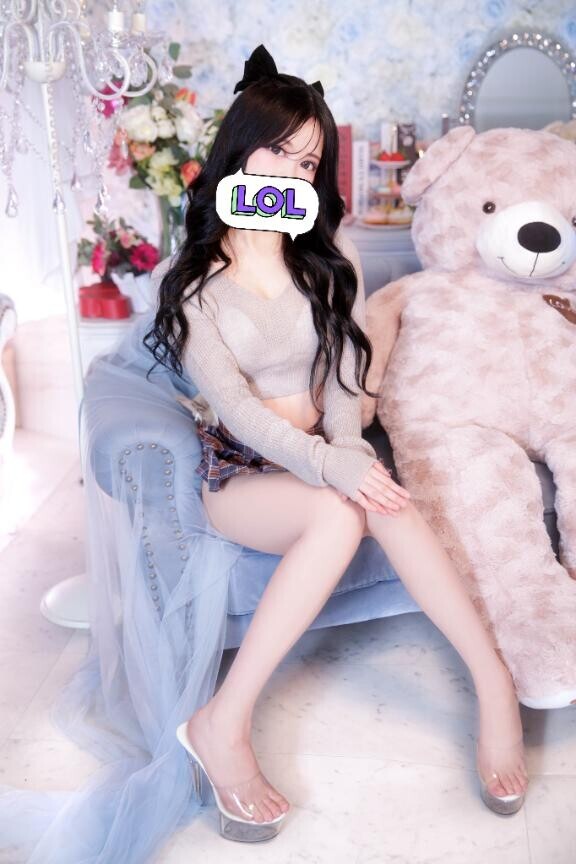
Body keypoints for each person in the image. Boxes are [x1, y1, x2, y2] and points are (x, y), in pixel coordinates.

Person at [143, 43, 529, 843]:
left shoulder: (327, 260)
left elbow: (347, 374)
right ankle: (220, 725)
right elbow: (237, 411)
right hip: (242, 476)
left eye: (308, 161)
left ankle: (494, 682)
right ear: (239, 151)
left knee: (380, 500)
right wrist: (333, 466)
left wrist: (348, 448)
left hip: (324, 452)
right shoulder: (193, 283)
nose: (290, 170)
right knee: (341, 508)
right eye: (277, 149)